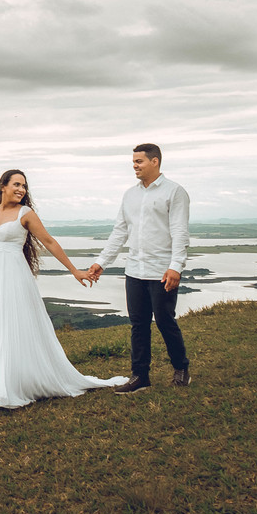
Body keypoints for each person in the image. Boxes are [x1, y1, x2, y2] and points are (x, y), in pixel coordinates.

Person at [0, 169, 127, 413]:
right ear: (2, 186)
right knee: (0, 328)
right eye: (16, 184)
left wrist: (74, 270)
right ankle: (5, 386)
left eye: (24, 186)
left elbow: (49, 242)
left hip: (16, 277)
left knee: (9, 329)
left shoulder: (25, 213)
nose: (21, 189)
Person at [86, 143, 191, 394]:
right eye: (133, 162)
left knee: (165, 321)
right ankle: (140, 376)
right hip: (134, 270)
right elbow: (120, 231)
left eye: (139, 161)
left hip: (162, 270)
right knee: (138, 324)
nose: (134, 166)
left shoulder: (175, 192)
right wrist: (102, 262)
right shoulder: (129, 195)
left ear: (155, 161)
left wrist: (175, 267)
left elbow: (179, 232)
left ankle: (181, 368)